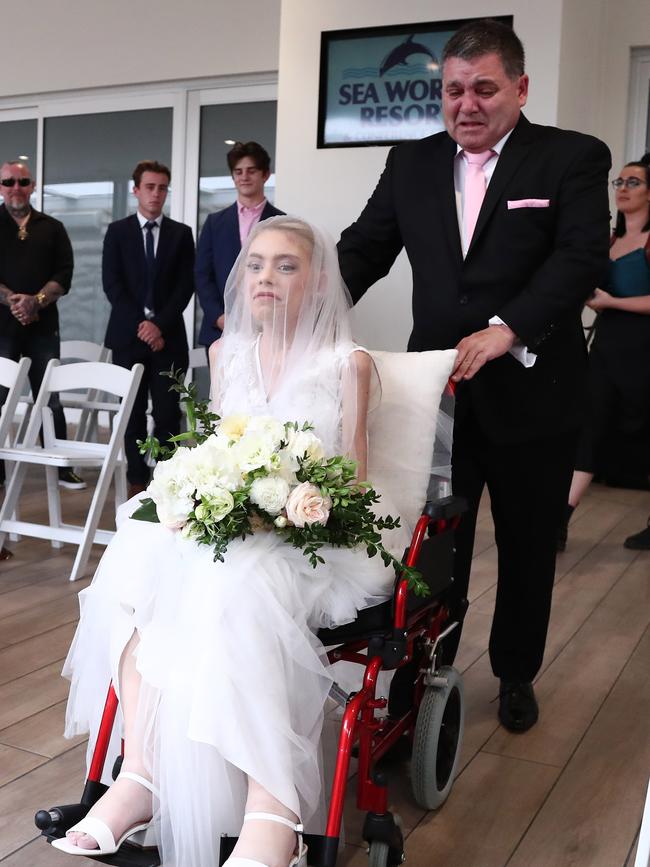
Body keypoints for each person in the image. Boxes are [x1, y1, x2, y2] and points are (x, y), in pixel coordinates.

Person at [56, 217, 409, 867]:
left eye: (286, 265)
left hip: (313, 528)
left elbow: (354, 475)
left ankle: (273, 810)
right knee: (136, 561)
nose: (266, 278)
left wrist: (284, 508)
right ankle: (141, 773)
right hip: (231, 521)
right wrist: (203, 495)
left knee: (241, 584)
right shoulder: (224, 355)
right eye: (256, 265)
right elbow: (217, 447)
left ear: (319, 279)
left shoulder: (347, 363)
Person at [338, 19, 611, 732]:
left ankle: (516, 672)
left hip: (536, 394)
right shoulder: (412, 163)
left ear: (519, 89)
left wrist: (507, 328)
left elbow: (580, 258)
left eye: (484, 88)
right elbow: (363, 251)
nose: (467, 104)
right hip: (436, 397)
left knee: (526, 547)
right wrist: (292, 307)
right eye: (454, 90)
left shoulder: (571, 158)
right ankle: (428, 671)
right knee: (433, 545)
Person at [559, 156, 650, 549]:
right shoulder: (609, 240)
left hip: (643, 348)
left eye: (633, 182)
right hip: (609, 344)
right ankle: (559, 521)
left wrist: (611, 302)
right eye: (619, 182)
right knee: (589, 427)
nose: (623, 188)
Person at [0, 159, 81, 556]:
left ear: (33, 185)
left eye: (23, 181)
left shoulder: (53, 227)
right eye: (9, 181)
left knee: (49, 397)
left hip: (43, 326)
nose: (16, 187)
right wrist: (13, 300)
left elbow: (64, 274)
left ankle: (61, 466)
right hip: (1, 327)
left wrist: (37, 301)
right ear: (0, 186)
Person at [102, 160, 195, 498]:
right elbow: (112, 286)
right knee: (132, 414)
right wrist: (142, 326)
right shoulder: (117, 232)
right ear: (136, 190)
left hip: (168, 340)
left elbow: (185, 287)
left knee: (168, 414)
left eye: (162, 188)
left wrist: (158, 325)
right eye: (150, 187)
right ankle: (137, 480)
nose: (156, 193)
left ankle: (167, 483)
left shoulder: (181, 234)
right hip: (127, 338)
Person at [195, 141, 284, 351]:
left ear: (265, 175)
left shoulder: (282, 222)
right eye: (238, 171)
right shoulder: (214, 222)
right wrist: (218, 316)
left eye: (251, 171)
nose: (244, 177)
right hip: (221, 329)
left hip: (269, 327)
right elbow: (201, 275)